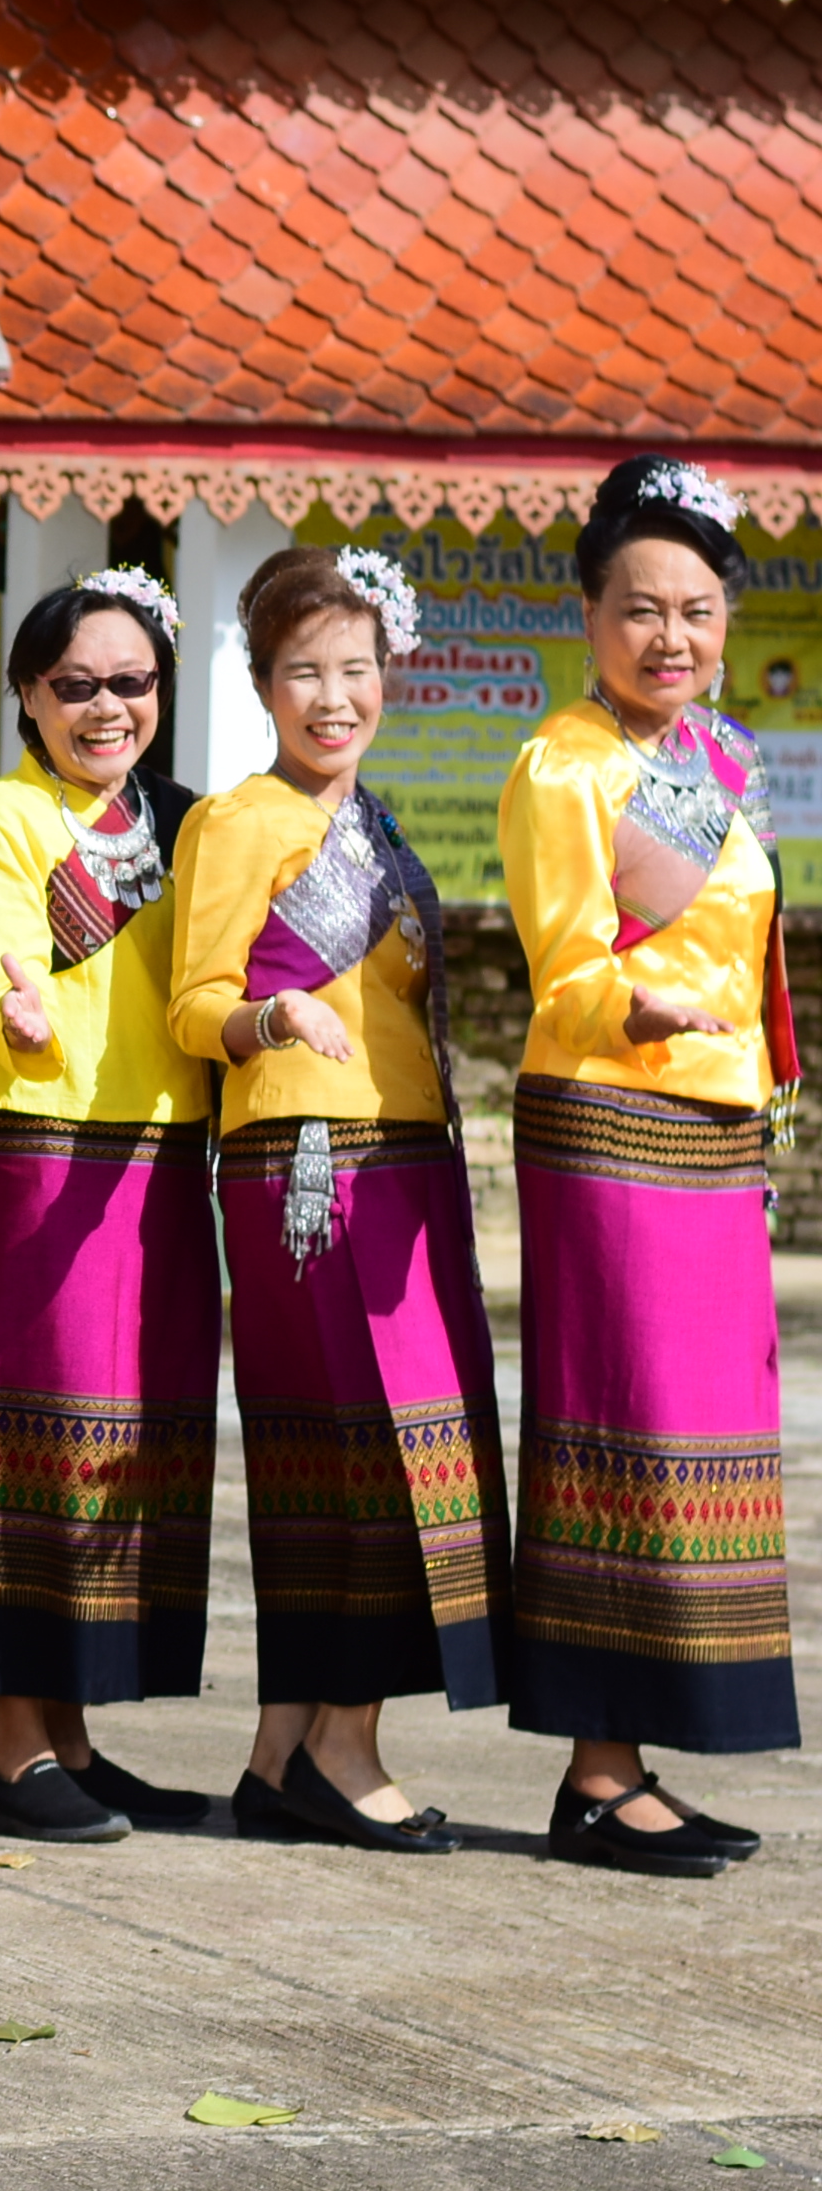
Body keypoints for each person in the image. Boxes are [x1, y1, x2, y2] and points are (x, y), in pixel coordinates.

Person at [165, 544, 498, 1854]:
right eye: (304, 672)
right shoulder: (240, 822)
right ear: (260, 685)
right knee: (367, 1453)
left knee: (363, 1449)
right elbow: (194, 1007)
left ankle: (277, 1758)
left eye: (356, 670)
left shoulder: (378, 824)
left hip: (403, 1164)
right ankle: (345, 1748)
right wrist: (273, 1013)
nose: (334, 696)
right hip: (308, 1167)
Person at [495, 457, 794, 1876]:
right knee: (618, 1429)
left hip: (709, 1130)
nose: (671, 638)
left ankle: (632, 1760)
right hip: (613, 1119)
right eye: (641, 611)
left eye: (696, 611)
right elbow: (564, 961)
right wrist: (640, 1001)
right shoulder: (568, 762)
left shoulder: (708, 761)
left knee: (695, 1444)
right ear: (590, 617)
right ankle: (598, 1773)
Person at [0, 573, 223, 1842]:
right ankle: (12, 1747)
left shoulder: (182, 824)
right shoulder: (8, 816)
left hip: (163, 1154)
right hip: (48, 1145)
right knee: (44, 1438)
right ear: (26, 696)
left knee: (131, 1444)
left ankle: (72, 1734)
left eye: (130, 683)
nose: (104, 707)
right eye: (75, 685)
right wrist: (16, 1016)